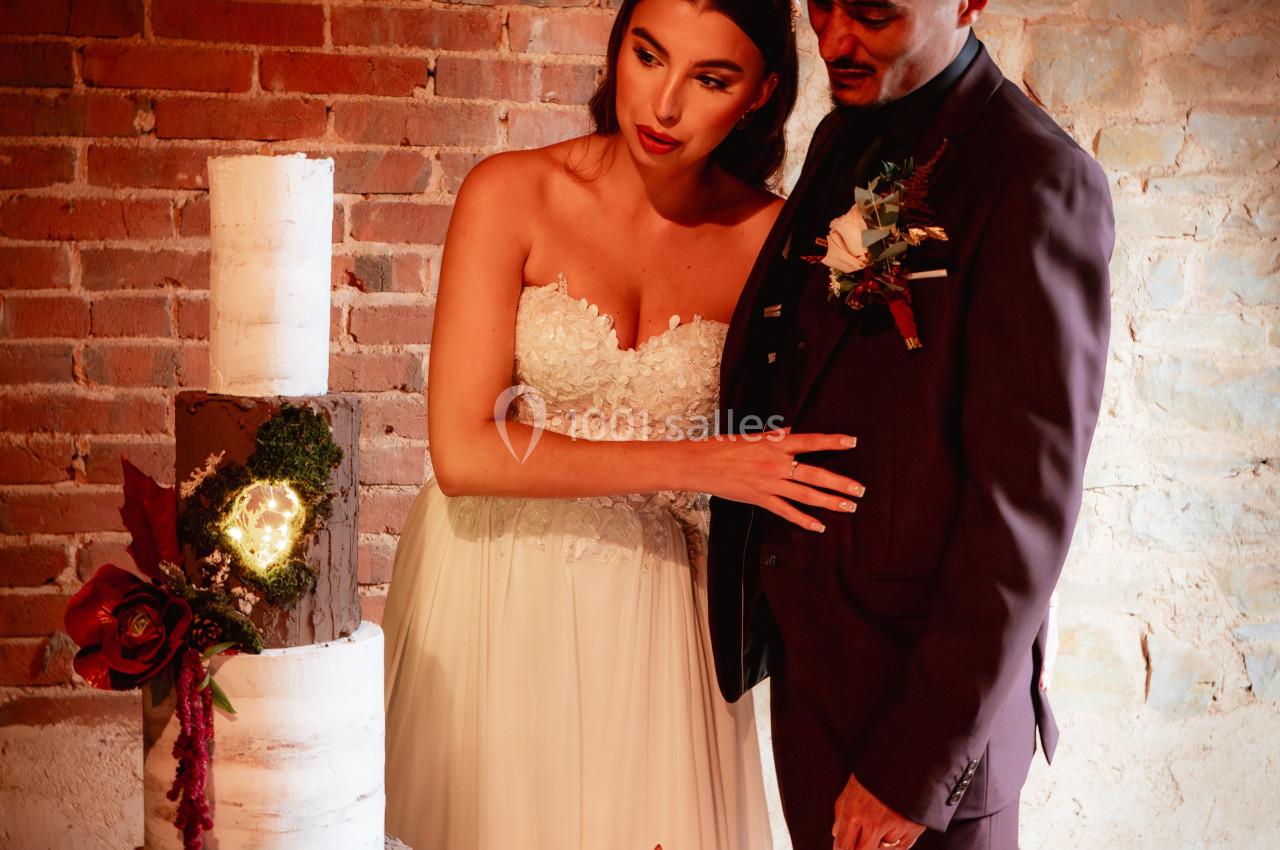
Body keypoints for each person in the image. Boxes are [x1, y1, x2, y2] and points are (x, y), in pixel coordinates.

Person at [381, 2, 861, 848]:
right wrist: (701, 464)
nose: (663, 104)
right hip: (499, 584)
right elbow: (462, 450)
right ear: (619, 46)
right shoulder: (511, 193)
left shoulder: (775, 241)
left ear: (759, 95)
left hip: (662, 610)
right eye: (648, 55)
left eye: (710, 79)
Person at [707, 2, 1114, 850]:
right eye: (819, 4)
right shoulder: (843, 136)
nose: (833, 40)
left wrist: (910, 769)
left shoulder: (1037, 178)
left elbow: (1024, 517)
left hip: (919, 735)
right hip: (820, 684)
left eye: (873, 13)